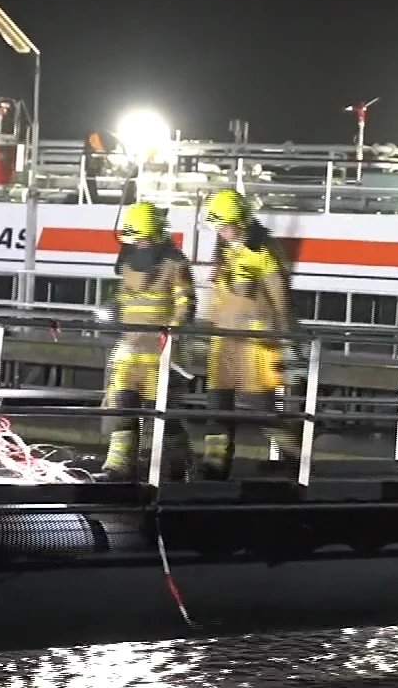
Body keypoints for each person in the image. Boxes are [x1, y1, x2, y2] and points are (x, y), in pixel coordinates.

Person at [195, 188, 298, 479]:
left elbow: (280, 299)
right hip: (224, 341)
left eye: (223, 225)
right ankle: (214, 464)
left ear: (238, 221)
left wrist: (286, 339)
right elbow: (217, 298)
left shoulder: (262, 253)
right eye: (216, 226)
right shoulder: (226, 252)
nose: (220, 231)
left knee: (261, 407)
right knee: (217, 405)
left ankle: (296, 461)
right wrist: (203, 331)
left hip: (256, 344)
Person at [97, 201, 196, 481]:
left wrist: (173, 332)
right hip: (130, 349)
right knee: (122, 406)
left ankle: (178, 464)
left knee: (166, 415)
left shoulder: (175, 265)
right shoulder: (130, 264)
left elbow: (185, 303)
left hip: (160, 353)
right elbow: (124, 297)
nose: (138, 244)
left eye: (141, 238)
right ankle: (118, 466)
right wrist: (112, 309)